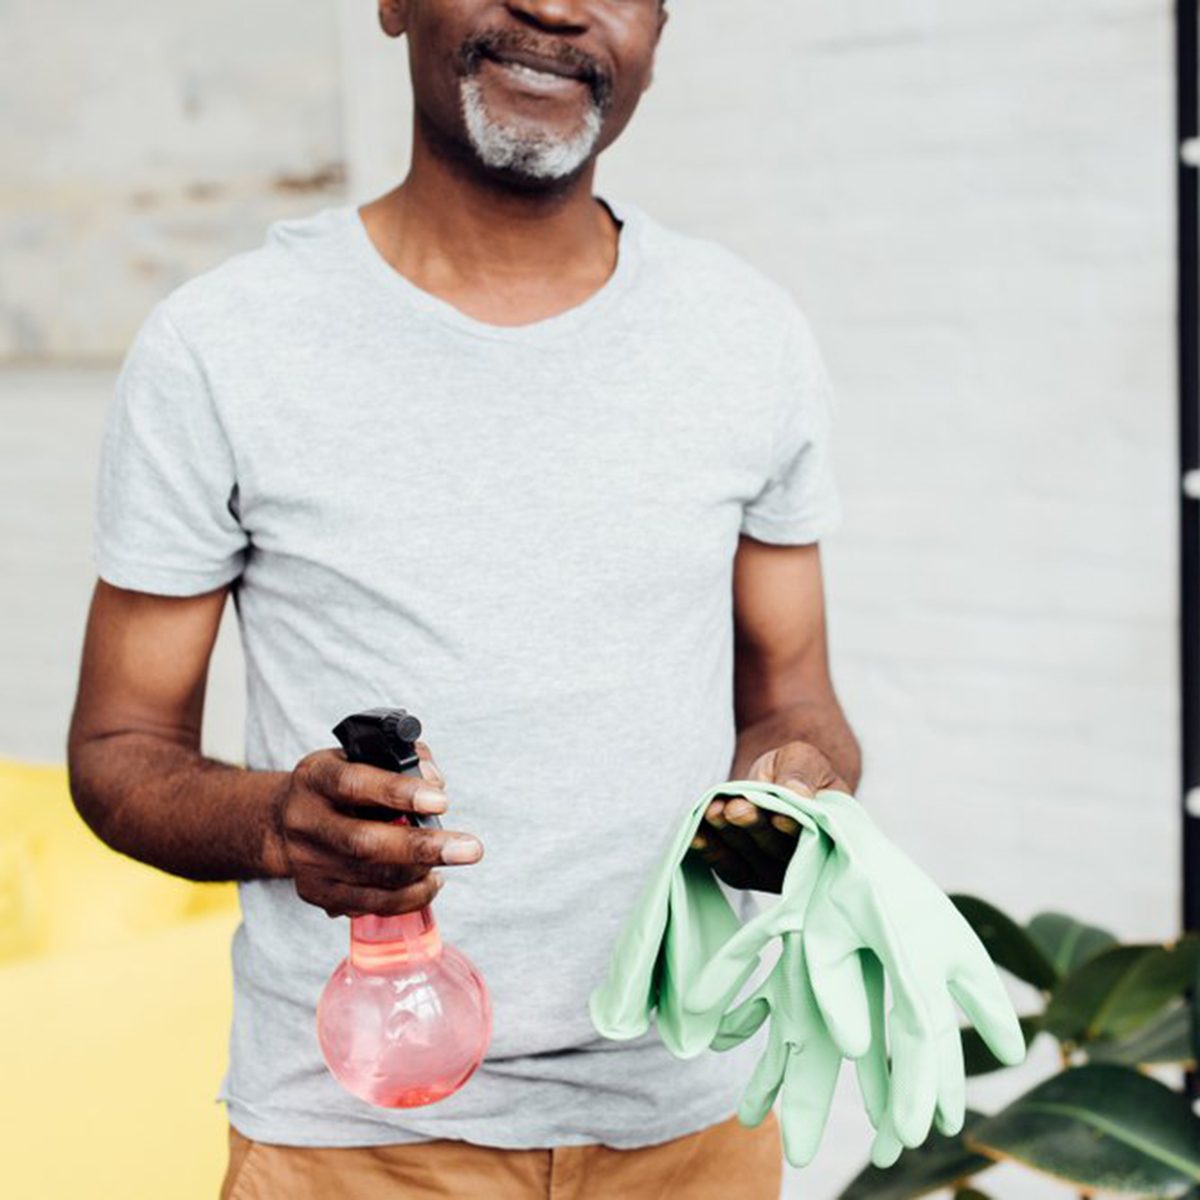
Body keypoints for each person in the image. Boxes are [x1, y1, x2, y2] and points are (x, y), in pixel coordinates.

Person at [66, 0, 863, 1196]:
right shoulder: (222, 347)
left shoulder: (746, 337)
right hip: (354, 1137)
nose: (553, 6)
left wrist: (784, 811)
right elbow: (120, 750)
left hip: (693, 1117)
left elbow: (796, 707)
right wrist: (280, 827)